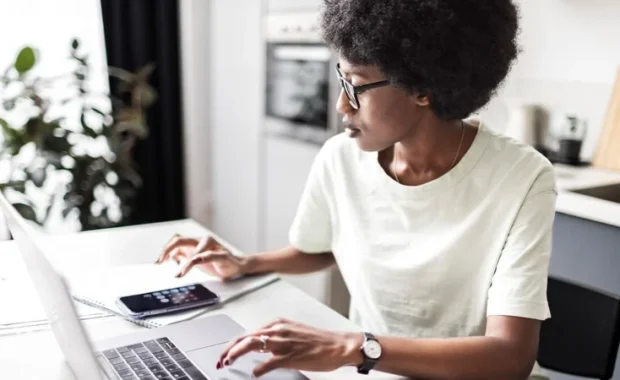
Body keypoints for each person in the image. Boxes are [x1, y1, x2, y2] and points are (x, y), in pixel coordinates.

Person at [157, 1, 557, 379]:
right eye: (341, 80)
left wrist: (358, 347)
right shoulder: (341, 159)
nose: (341, 107)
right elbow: (322, 247)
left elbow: (511, 358)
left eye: (356, 86)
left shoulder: (522, 177)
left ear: (422, 87)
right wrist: (246, 263)